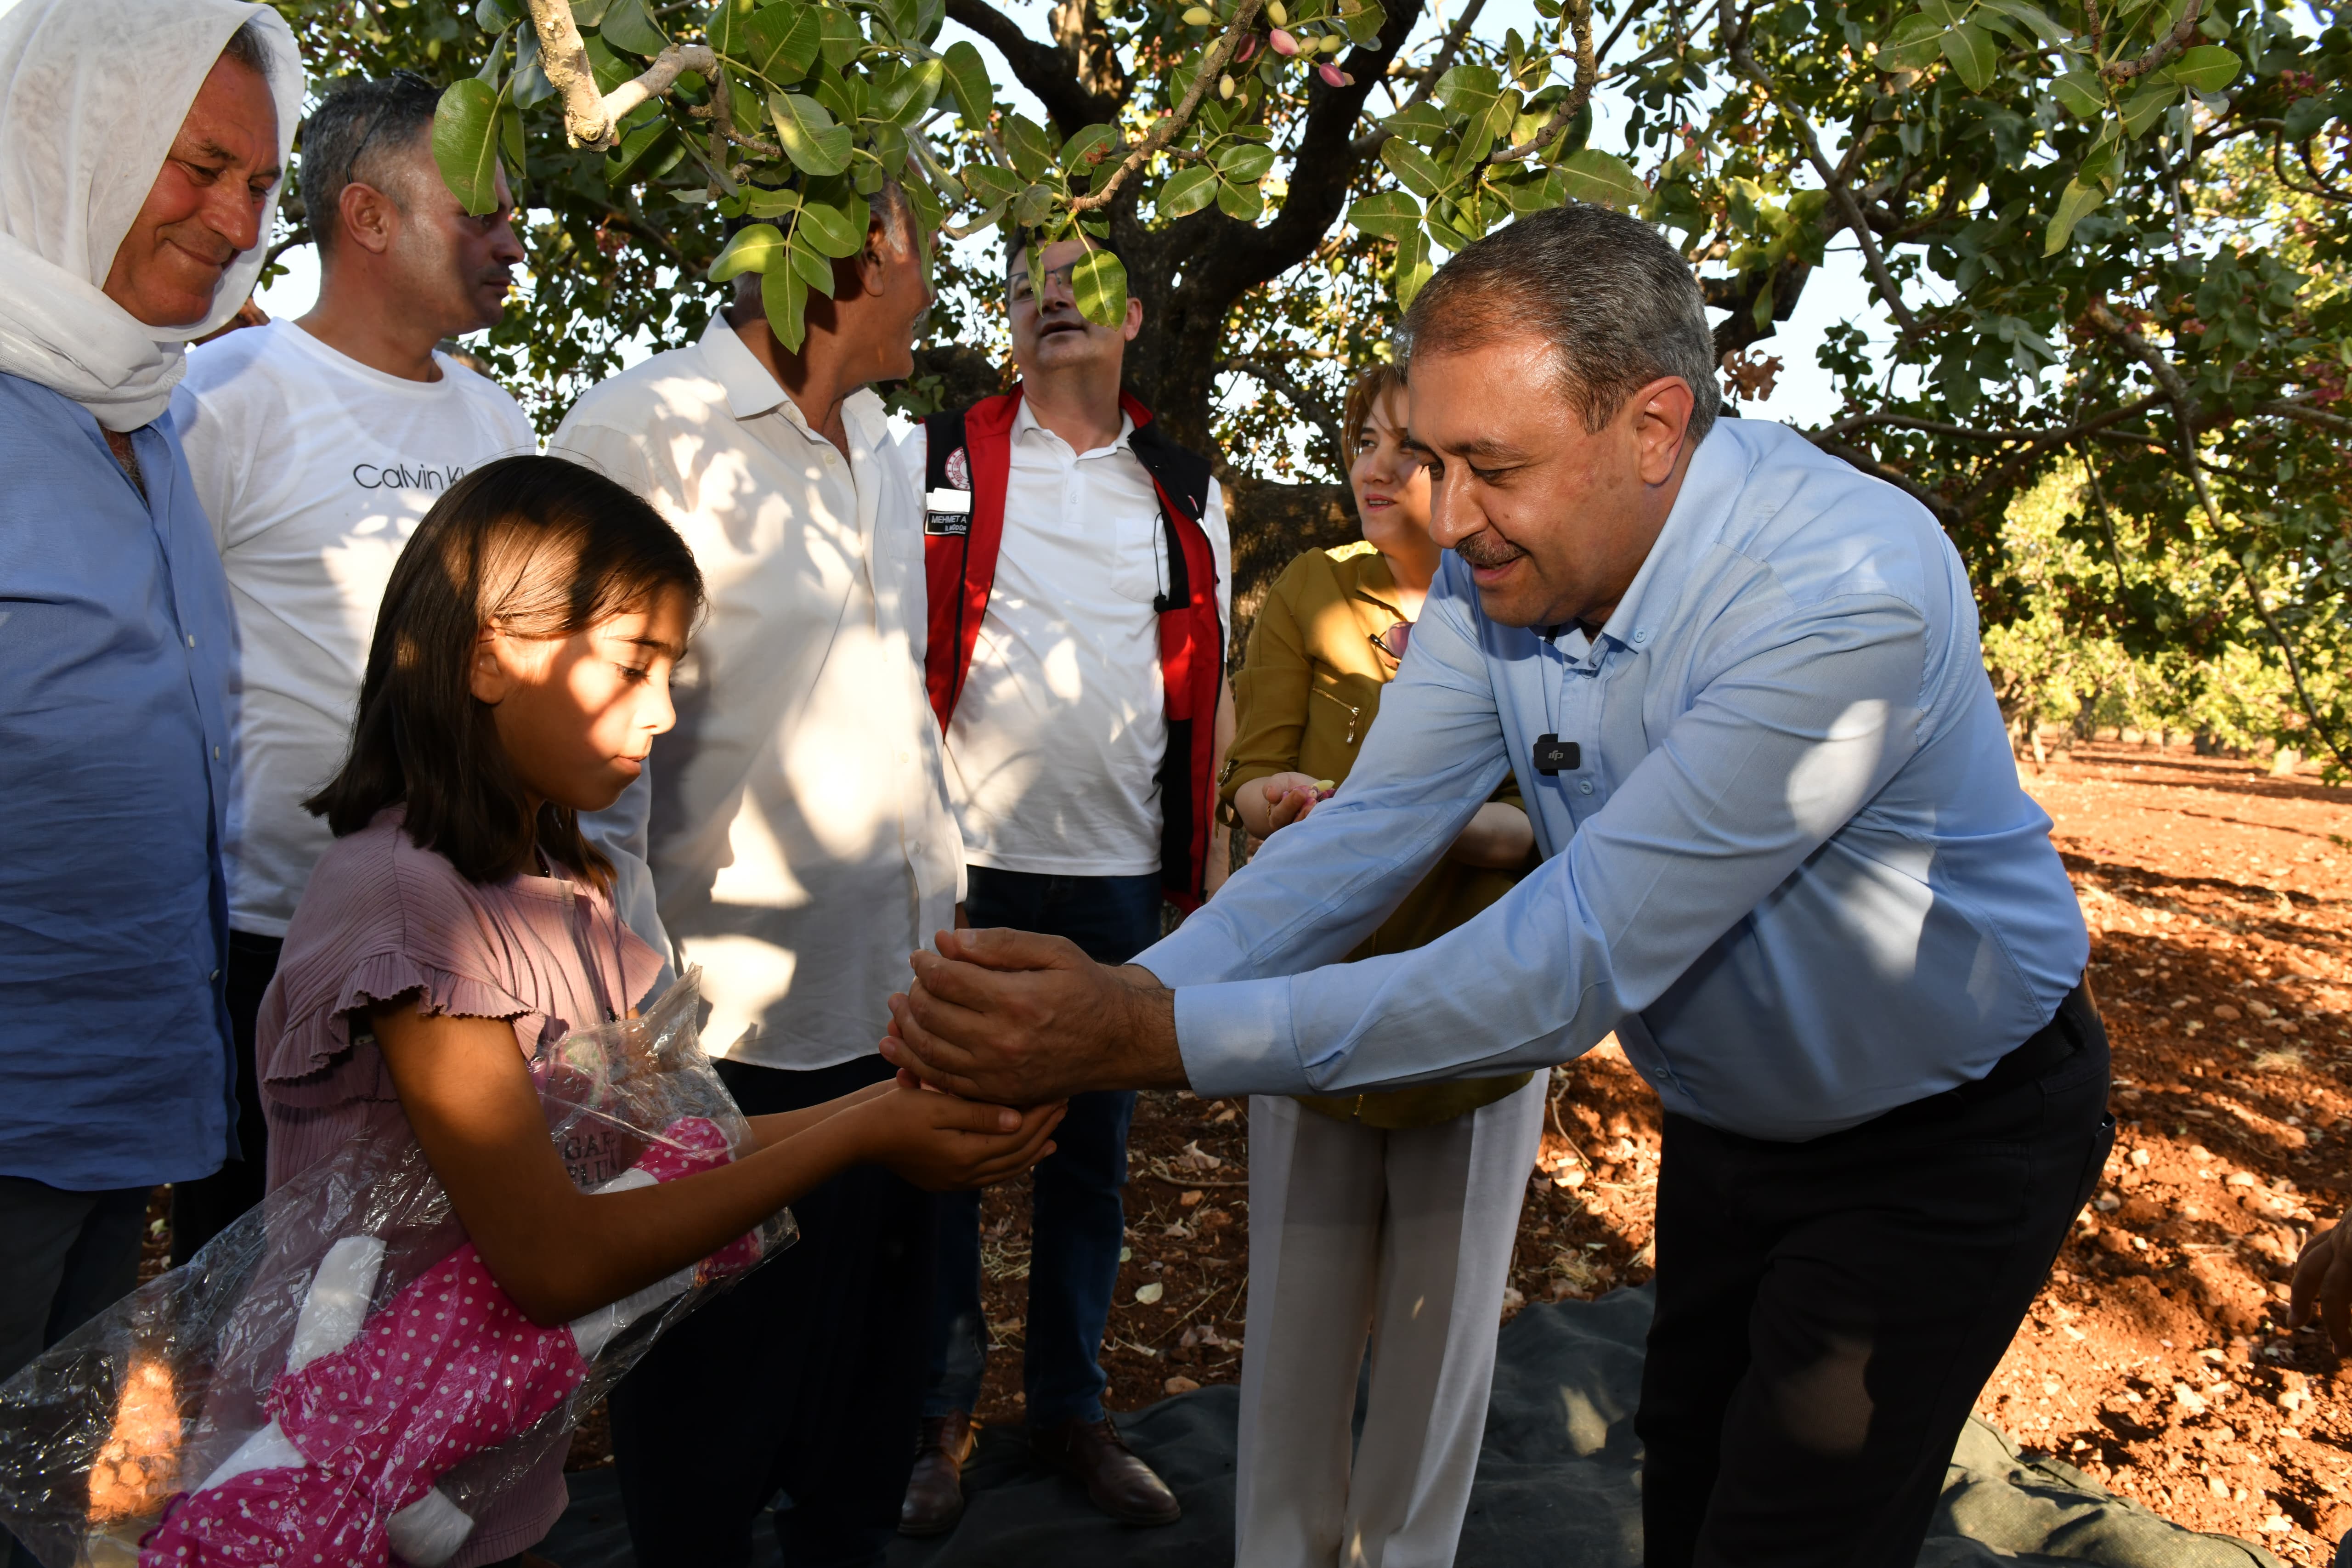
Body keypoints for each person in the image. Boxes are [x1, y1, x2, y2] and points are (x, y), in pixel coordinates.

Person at [880, 203, 2115, 1568]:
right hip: (1733, 1120)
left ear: (1655, 427)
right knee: (1691, 1484)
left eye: (1490, 466)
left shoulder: (1840, 590)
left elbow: (1564, 961)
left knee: (1796, 1529)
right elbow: (1370, 833)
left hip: (1944, 1131)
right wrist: (1126, 991)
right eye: (1427, 458)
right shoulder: (1498, 573)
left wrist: (1144, 1038)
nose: (1447, 515)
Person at [259, 454, 1063, 1568]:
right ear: (492, 656)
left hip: (475, 1472)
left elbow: (646, 1158)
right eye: (635, 665)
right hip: (338, 1495)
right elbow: (552, 1257)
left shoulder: (546, 883)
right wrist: (868, 1133)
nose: (665, 711)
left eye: (673, 670)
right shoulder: (414, 919)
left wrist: (881, 1112)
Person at [549, 186, 961, 1568]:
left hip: (900, 1020)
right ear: (857, 249)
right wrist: (644, 1031)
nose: (943, 272)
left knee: (862, 1438)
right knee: (709, 1453)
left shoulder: (892, 451)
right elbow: (583, 763)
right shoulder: (640, 432)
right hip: (728, 1043)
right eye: (929, 238)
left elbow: (889, 716)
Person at [0, 10, 301, 1558]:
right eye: (198, 167)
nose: (239, 221)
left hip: (131, 1101)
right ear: (74, 147)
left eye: (262, 183)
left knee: (48, 1504)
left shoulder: (153, 416)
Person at [894, 234, 1230, 1535]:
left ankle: (1073, 1408)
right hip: (964, 869)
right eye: (1029, 275)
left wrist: (1199, 873)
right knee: (950, 1150)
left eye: (1082, 277)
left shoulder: (1185, 486)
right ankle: (937, 1413)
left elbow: (1208, 683)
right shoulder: (936, 460)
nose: (1052, 295)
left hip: (1118, 877)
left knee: (1088, 1165)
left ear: (1135, 315)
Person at [170, 69, 534, 1265]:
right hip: (261, 944)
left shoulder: (500, 425)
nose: (511, 233)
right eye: (479, 202)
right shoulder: (224, 400)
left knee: (419, 1292)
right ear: (368, 216)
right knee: (248, 1295)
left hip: (455, 939)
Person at [1222, 363, 1542, 1568]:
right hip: (1311, 999)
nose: (1371, 465)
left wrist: (1430, 823)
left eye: (1405, 446)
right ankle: (1281, 1550)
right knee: (1297, 1319)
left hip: (1476, 1005)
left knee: (1443, 1326)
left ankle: (1403, 1552)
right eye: (1362, 439)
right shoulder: (1313, 588)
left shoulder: (1531, 608)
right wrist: (1287, 803)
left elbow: (1549, 825)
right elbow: (1249, 777)